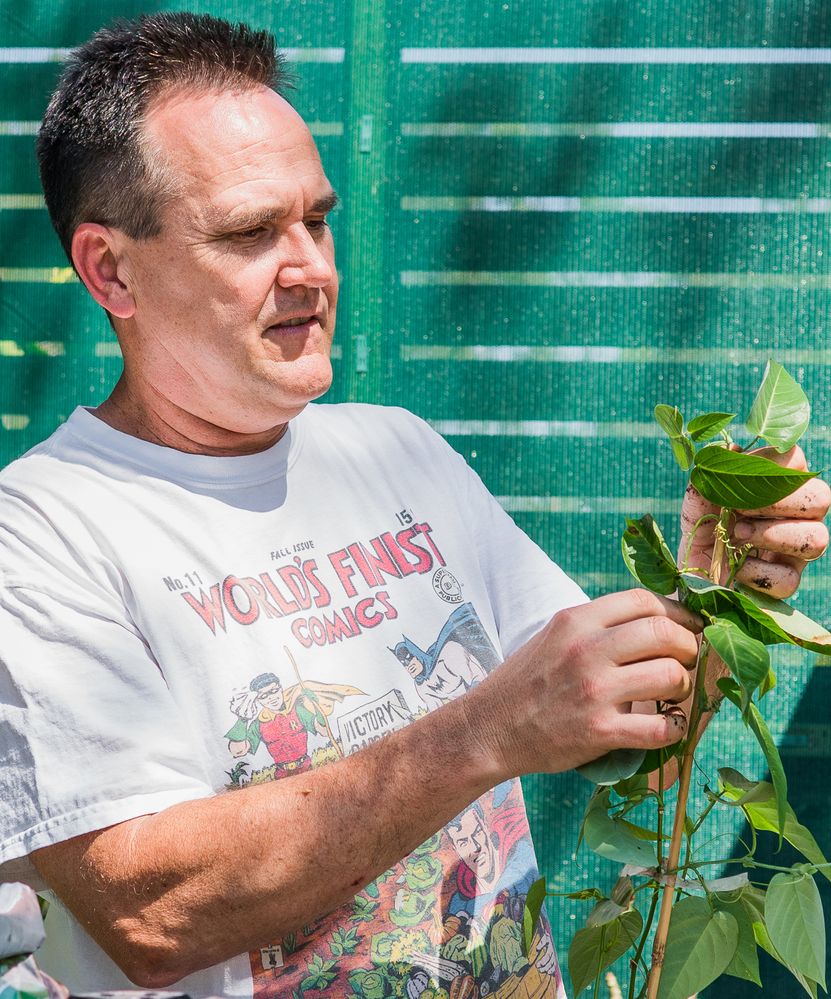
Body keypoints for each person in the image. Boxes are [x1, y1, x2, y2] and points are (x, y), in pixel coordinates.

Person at [0, 13, 827, 999]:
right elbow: (151, 914)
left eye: (316, 219)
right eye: (252, 233)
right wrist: (485, 730)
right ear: (111, 269)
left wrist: (721, 592)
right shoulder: (44, 531)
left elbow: (631, 736)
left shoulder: (395, 450)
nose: (310, 266)